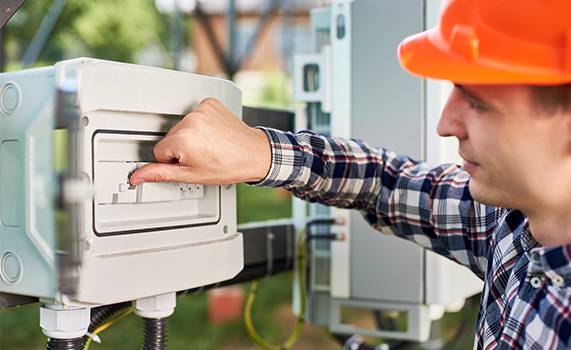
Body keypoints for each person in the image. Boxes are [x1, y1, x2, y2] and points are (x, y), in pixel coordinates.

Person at [130, 0, 571, 348]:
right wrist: (261, 153)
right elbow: (383, 180)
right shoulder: (509, 225)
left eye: (476, 102)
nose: (445, 125)